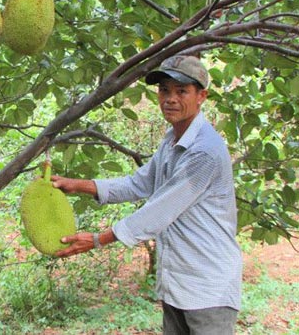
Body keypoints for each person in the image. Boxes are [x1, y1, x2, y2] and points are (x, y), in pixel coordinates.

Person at [51, 55, 242, 335]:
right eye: (164, 90)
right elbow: (139, 183)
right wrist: (78, 185)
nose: (170, 99)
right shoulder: (172, 139)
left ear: (202, 96)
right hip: (178, 283)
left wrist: (98, 239)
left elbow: (159, 211)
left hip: (208, 287)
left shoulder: (205, 151)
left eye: (181, 91)